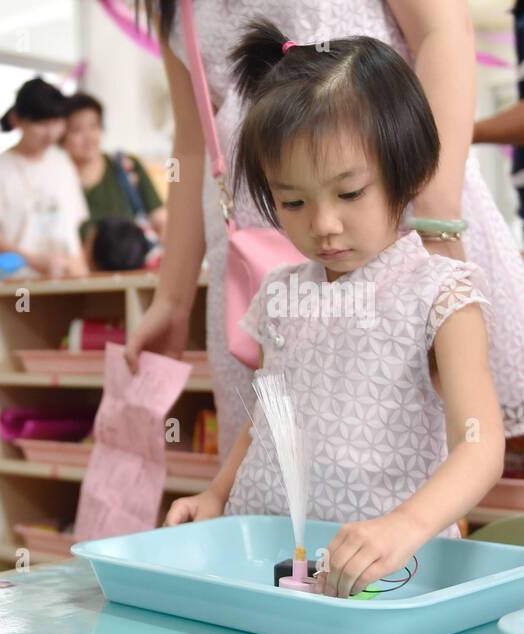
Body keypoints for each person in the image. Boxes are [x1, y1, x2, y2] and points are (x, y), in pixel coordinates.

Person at [166, 20, 504, 598]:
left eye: (350, 193)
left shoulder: (441, 293)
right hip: (268, 551)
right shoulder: (280, 291)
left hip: (386, 567)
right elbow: (270, 414)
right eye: (292, 201)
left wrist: (408, 525)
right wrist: (218, 493)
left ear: (409, 170)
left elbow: (480, 444)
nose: (322, 224)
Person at [126, 0, 524, 462]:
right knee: (282, 448)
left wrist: (434, 226)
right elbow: (193, 142)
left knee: (425, 437)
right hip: (254, 248)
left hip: (399, 225)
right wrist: (172, 300)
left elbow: (445, 32)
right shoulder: (173, 7)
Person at [0, 77, 91, 278]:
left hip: (66, 280)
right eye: (41, 124)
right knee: (22, 309)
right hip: (18, 283)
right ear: (17, 119)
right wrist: (30, 260)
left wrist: (81, 271)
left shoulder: (63, 164)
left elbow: (73, 230)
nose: (50, 133)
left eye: (56, 122)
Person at [61, 92, 167, 241]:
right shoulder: (57, 180)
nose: (88, 137)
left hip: (135, 263)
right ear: (61, 136)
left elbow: (161, 222)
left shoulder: (127, 167)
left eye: (94, 126)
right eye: (77, 129)